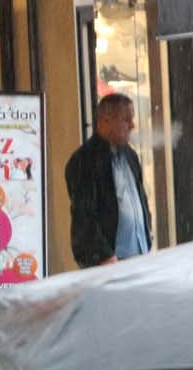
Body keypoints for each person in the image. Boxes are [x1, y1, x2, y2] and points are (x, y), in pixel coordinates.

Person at [64, 94, 151, 268]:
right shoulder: (84, 160)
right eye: (126, 120)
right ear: (105, 121)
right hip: (108, 261)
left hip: (138, 255)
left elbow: (141, 198)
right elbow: (84, 214)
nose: (132, 125)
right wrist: (103, 255)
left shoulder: (130, 156)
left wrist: (148, 232)